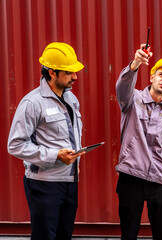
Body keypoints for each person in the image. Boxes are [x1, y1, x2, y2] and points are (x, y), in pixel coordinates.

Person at [7, 42, 85, 240]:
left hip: (70, 181)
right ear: (52, 72)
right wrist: (55, 155)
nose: (75, 77)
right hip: (44, 184)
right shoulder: (32, 103)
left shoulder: (71, 99)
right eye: (69, 73)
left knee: (64, 236)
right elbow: (15, 145)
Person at [115, 44, 162, 240]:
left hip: (160, 180)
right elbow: (122, 85)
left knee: (161, 235)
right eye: (161, 75)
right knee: (129, 233)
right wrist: (135, 64)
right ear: (152, 77)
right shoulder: (132, 98)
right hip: (131, 176)